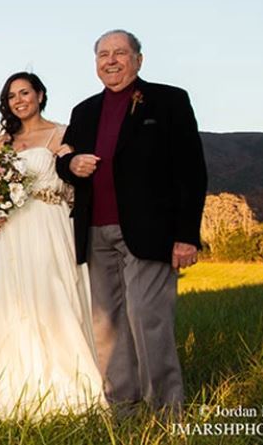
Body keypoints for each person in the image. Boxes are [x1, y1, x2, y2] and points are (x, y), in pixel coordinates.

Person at [55, 30, 207, 412]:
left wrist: (186, 235)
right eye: (103, 54)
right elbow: (64, 160)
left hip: (149, 231)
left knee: (147, 318)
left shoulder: (169, 101)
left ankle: (166, 412)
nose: (111, 61)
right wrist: (71, 164)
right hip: (94, 231)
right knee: (107, 326)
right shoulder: (84, 111)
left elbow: (191, 171)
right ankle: (123, 406)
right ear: (95, 64)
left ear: (138, 59)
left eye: (120, 53)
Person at [0, 72, 106, 420]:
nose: (19, 100)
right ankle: (12, 390)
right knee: (11, 305)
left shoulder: (61, 134)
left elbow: (74, 183)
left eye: (25, 92)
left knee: (52, 298)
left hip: (47, 226)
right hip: (7, 235)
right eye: (12, 95)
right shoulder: (2, 143)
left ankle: (68, 391)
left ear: (40, 95)